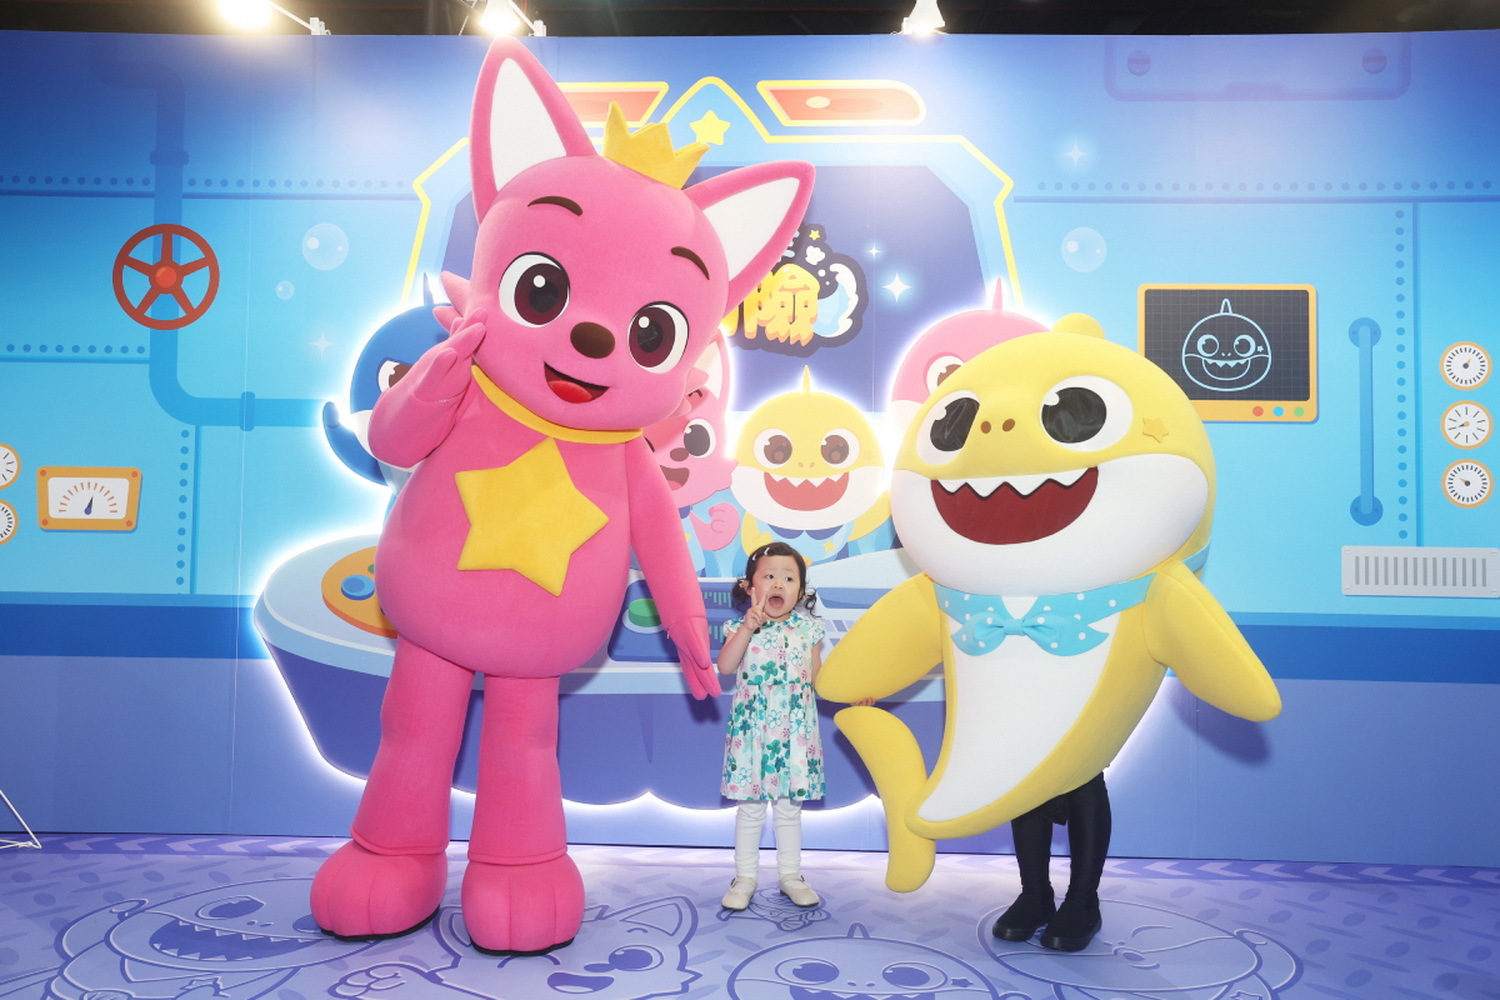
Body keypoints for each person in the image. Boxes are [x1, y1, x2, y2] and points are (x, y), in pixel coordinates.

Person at [716, 541, 827, 911]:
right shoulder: (739, 627)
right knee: (750, 809)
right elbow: (726, 667)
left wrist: (856, 693)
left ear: (801, 590)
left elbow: (819, 680)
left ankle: (790, 875)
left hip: (796, 733)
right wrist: (747, 628)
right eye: (769, 576)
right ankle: (744, 877)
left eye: (789, 578)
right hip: (753, 733)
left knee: (788, 808)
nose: (779, 584)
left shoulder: (809, 630)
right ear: (749, 586)